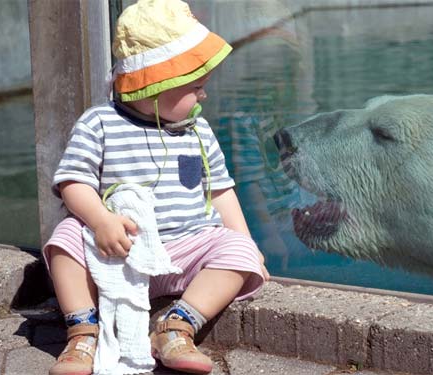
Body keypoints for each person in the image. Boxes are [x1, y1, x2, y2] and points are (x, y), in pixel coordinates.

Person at [42, 0, 269, 374]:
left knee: (239, 250)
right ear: (155, 85)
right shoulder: (99, 123)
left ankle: (176, 326)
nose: (203, 96)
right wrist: (100, 221)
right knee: (66, 237)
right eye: (195, 87)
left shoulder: (198, 130)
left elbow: (221, 191)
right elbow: (72, 181)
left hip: (185, 249)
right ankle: (83, 332)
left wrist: (249, 245)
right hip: (117, 251)